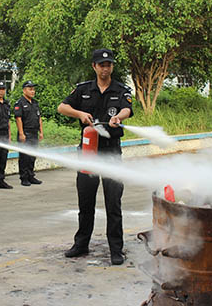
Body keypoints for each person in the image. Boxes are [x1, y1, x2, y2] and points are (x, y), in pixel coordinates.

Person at [57, 48, 133, 266]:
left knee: (113, 203)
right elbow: (62, 107)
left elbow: (127, 109)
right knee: (86, 202)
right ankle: (81, 244)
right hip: (88, 152)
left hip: (110, 152)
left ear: (112, 67)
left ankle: (116, 250)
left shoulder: (121, 89)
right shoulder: (83, 90)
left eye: (108, 65)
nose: (105, 68)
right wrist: (80, 114)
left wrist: (118, 116)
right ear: (94, 66)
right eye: (101, 65)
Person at [14, 80, 44, 186]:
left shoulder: (35, 103)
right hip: (25, 133)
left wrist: (41, 131)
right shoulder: (20, 103)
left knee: (32, 156)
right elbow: (18, 119)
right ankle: (24, 177)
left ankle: (31, 176)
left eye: (33, 89)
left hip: (34, 133)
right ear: (24, 90)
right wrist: (21, 133)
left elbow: (39, 117)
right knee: (24, 157)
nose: (32, 91)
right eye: (30, 89)